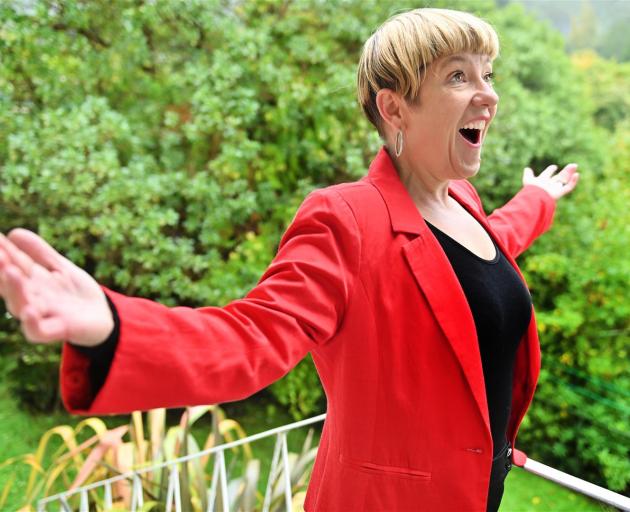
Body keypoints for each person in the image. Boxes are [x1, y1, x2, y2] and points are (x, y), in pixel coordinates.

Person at [0, 8, 579, 512]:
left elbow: (490, 249)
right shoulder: (345, 219)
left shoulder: (464, 202)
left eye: (488, 74)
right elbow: (252, 336)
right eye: (459, 76)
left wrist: (539, 201)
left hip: (480, 492)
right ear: (394, 109)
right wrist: (110, 328)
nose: (489, 94)